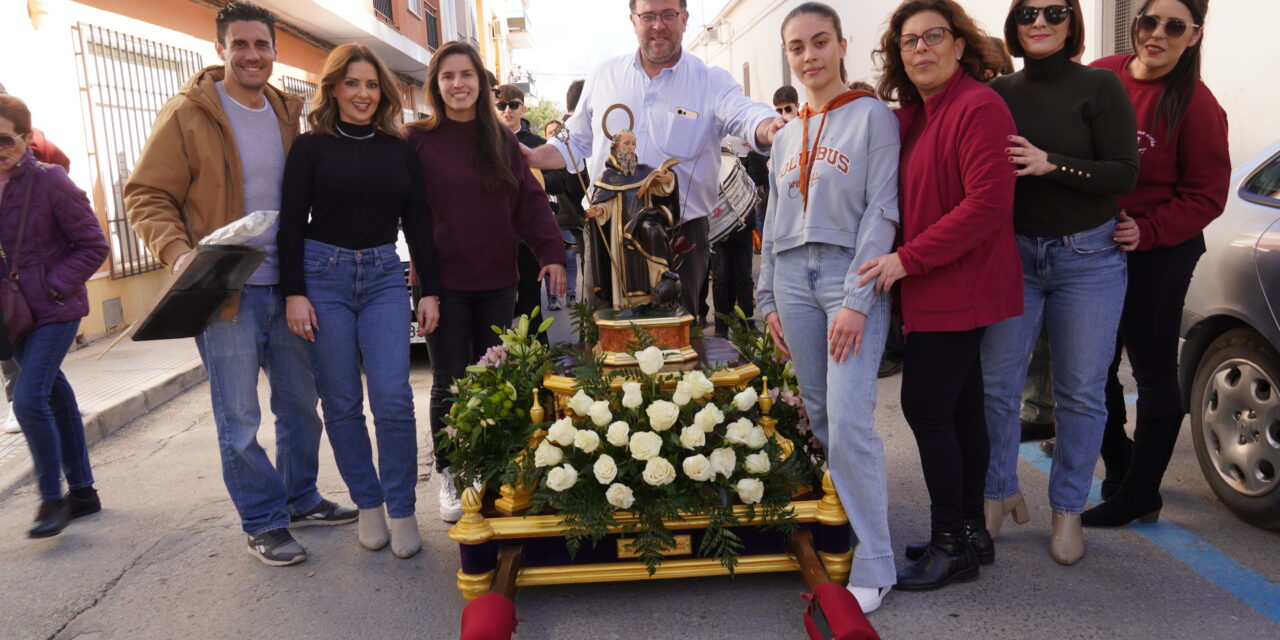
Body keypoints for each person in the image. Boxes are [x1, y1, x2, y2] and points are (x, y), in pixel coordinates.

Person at [125, 2, 357, 567]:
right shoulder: (188, 113)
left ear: (275, 51)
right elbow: (145, 194)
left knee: (302, 407)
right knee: (240, 418)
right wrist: (179, 253)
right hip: (225, 289)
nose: (252, 55)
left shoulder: (285, 111)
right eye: (241, 45)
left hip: (287, 285)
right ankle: (263, 520)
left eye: (262, 45)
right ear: (221, 50)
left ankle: (300, 498)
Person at [859, 0, 1020, 591]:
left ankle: (951, 543)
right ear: (899, 55)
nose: (921, 48)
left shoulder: (978, 106)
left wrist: (907, 258)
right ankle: (972, 531)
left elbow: (987, 205)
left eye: (934, 37)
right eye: (909, 41)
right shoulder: (921, 113)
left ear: (959, 44)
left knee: (926, 407)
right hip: (937, 285)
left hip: (959, 284)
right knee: (960, 408)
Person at [982, 0, 1139, 565]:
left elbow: (1124, 172)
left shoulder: (1100, 85)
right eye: (1028, 13)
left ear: (1072, 21)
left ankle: (1068, 510)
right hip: (1013, 258)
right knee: (996, 388)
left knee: (1080, 393)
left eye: (1054, 11)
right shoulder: (999, 92)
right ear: (1015, 26)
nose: (1040, 22)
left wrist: (1054, 163)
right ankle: (999, 493)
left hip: (1089, 258)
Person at [758, 2, 900, 614]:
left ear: (842, 45)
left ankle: (876, 561)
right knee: (818, 414)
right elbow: (770, 221)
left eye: (820, 42)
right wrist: (766, 300)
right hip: (791, 275)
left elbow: (883, 209)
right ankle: (836, 519)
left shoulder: (872, 117)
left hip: (848, 272)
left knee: (849, 420)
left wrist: (857, 300)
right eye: (797, 47)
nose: (809, 56)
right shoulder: (785, 134)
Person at [278, 45, 439, 559]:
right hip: (321, 276)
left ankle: (401, 508)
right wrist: (293, 293)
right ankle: (367, 506)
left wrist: (427, 288)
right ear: (333, 90)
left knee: (392, 397)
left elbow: (418, 224)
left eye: (371, 85)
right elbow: (289, 224)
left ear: (383, 93)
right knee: (342, 402)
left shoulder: (400, 150)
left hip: (383, 278)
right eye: (351, 84)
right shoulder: (309, 148)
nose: (362, 94)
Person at [525, 0, 784, 320]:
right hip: (606, 234)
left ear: (685, 19)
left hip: (680, 237)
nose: (658, 25)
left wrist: (768, 126)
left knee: (678, 345)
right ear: (633, 20)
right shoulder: (604, 76)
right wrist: (530, 156)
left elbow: (744, 112)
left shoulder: (711, 81)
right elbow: (574, 141)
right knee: (604, 337)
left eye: (668, 15)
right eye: (648, 16)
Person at [405, 42, 566, 523]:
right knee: (449, 381)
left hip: (498, 280)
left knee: (495, 379)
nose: (458, 84)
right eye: (448, 75)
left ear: (482, 83)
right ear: (436, 84)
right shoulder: (415, 139)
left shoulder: (501, 139)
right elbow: (403, 209)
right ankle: (453, 473)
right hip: (440, 283)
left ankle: (491, 469)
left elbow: (530, 204)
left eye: (467, 75)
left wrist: (551, 252)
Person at [1085, 0, 1229, 526]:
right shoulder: (1102, 77)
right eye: (1150, 21)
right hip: (1094, 247)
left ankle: (1142, 493)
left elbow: (1207, 195)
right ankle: (1121, 464)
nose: (1158, 34)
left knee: (1151, 372)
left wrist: (1148, 230)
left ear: (1193, 36)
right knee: (1089, 370)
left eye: (1175, 27)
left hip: (1160, 253)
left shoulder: (1197, 105)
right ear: (1135, 24)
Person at [0, 94, 108, 538]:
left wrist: (52, 285)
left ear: (26, 138)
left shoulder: (51, 182)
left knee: (27, 399)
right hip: (12, 312)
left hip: (55, 306)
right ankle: (83, 493)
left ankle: (51, 499)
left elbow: (95, 246)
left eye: (4, 139)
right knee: (55, 396)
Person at [0, 82, 70, 436]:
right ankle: (78, 485)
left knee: (30, 373)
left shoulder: (33, 144)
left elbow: (59, 167)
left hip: (34, 276)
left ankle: (20, 404)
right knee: (25, 352)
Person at [496, 84, 574, 318]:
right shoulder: (484, 140)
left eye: (513, 104)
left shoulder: (539, 143)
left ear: (523, 108)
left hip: (529, 234)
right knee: (499, 303)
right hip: (496, 233)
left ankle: (536, 352)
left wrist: (534, 181)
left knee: (531, 300)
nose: (507, 110)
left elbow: (562, 177)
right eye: (501, 105)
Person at [583, 130, 680, 310]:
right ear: (615, 147)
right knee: (628, 270)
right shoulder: (606, 178)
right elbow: (607, 206)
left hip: (643, 225)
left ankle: (656, 293)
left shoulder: (644, 172)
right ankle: (630, 305)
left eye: (633, 143)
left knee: (654, 234)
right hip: (619, 234)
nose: (631, 147)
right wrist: (598, 210)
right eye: (626, 143)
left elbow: (662, 191)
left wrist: (668, 179)